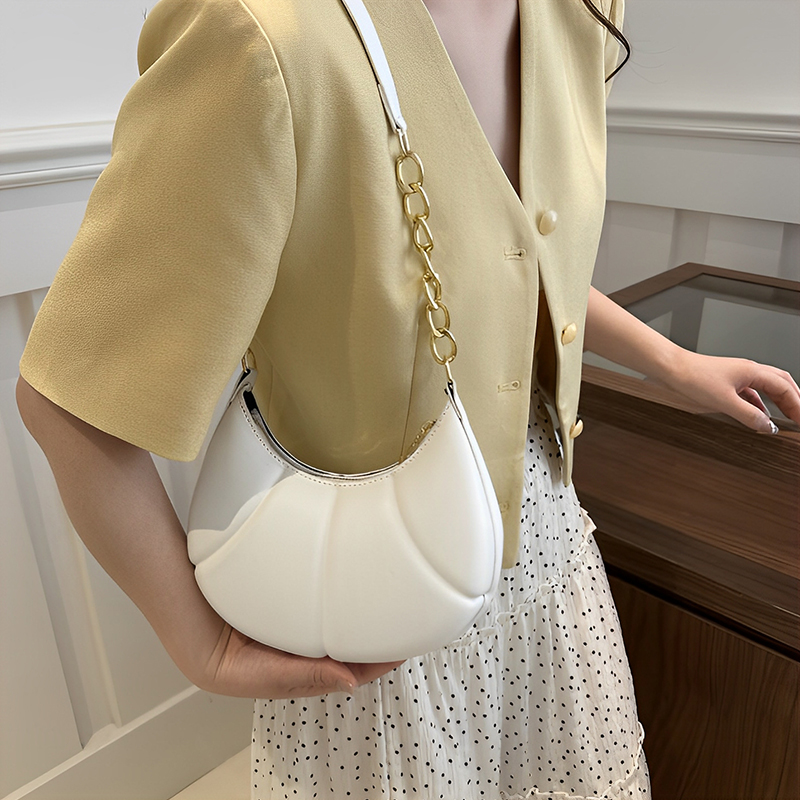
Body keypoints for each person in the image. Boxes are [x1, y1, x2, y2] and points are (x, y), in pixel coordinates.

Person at [16, 0, 800, 797]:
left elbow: (509, 255)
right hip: (376, 616)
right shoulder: (263, 32)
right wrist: (199, 642)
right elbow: (71, 401)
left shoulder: (582, 12)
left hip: (548, 558)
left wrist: (676, 364)